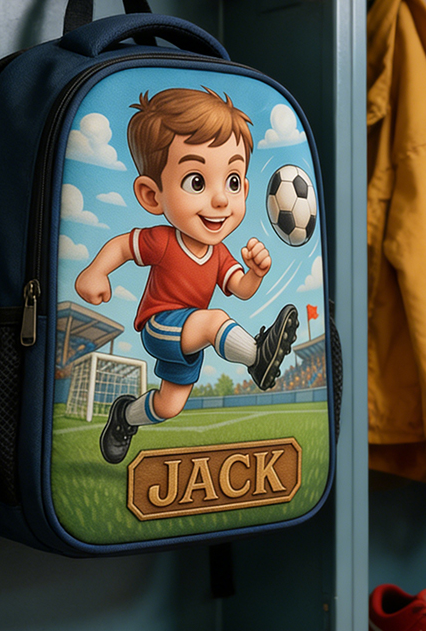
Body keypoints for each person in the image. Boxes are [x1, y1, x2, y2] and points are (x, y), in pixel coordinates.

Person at [75, 87, 298, 463]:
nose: (220, 200)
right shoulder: (163, 241)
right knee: (214, 322)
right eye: (197, 182)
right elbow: (122, 247)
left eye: (231, 182)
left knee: (168, 406)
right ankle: (256, 357)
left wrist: (256, 273)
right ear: (151, 196)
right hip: (161, 325)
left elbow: (240, 289)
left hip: (188, 337)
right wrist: (95, 272)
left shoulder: (219, 253)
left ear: (244, 187)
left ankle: (124, 416)